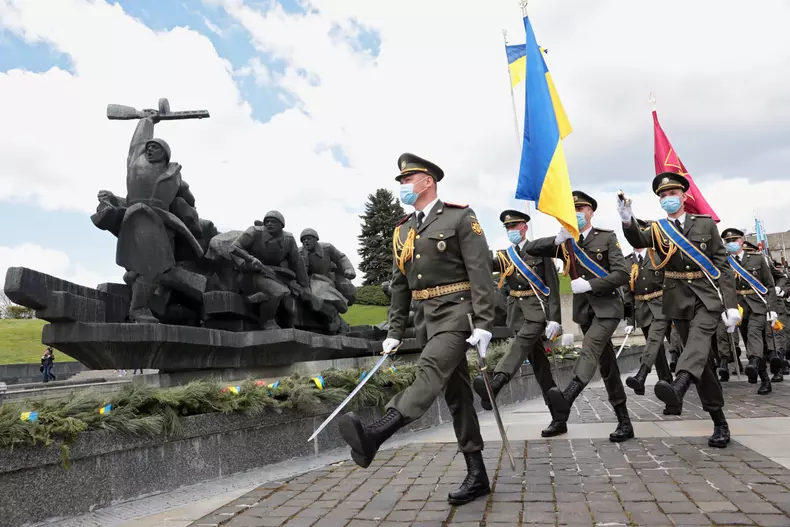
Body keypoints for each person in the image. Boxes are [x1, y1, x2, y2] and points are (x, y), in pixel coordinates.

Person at [338, 153, 496, 505]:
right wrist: (394, 329)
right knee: (458, 398)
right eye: (400, 181)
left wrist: (485, 323)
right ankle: (478, 475)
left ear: (428, 181)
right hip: (427, 321)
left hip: (458, 315)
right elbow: (399, 285)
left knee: (428, 373)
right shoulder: (403, 229)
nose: (403, 186)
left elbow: (481, 271)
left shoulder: (459, 216)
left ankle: (377, 434)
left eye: (408, 180)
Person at [618, 172, 737, 448]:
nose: (667, 199)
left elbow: (722, 265)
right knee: (700, 361)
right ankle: (719, 421)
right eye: (662, 196)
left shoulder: (705, 224)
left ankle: (679, 386)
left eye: (672, 194)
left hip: (706, 296)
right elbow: (639, 237)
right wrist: (627, 218)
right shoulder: (658, 229)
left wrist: (731, 305)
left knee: (697, 341)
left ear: (684, 196)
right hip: (677, 298)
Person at [527, 191, 635, 443]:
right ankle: (625, 422)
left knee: (590, 347)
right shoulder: (566, 242)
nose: (577, 213)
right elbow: (529, 248)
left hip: (608, 308)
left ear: (591, 212)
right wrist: (557, 238)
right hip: (585, 312)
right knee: (607, 366)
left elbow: (621, 273)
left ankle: (567, 398)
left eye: (581, 209)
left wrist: (591, 285)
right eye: (572, 209)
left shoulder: (606, 237)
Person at [475, 209, 565, 437]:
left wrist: (555, 318)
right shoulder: (506, 255)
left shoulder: (539, 251)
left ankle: (496, 383)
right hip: (517, 314)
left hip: (537, 312)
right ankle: (559, 416)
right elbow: (484, 264)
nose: (511, 231)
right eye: (508, 228)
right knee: (541, 369)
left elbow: (553, 286)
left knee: (520, 344)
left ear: (524, 227)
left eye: (514, 226)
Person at [622, 230, 676, 412]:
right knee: (657, 351)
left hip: (662, 305)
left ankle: (642, 374)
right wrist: (629, 320)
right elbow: (627, 293)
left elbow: (671, 279)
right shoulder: (627, 261)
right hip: (642, 309)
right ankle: (668, 390)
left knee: (657, 341)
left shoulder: (659, 254)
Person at [721, 228, 779, 394]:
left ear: (741, 241)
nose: (730, 244)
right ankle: (763, 378)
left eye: (734, 240)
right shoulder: (725, 263)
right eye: (727, 241)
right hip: (738, 307)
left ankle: (753, 363)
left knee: (754, 333)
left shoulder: (757, 259)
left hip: (758, 304)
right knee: (748, 338)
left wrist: (772, 308)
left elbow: (769, 285)